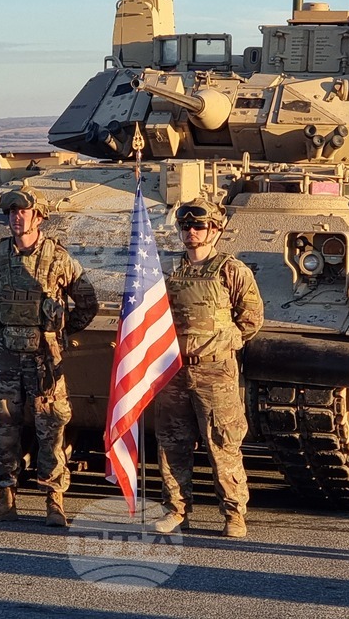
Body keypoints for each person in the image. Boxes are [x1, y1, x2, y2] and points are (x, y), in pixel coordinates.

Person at [0, 185, 98, 527]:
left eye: (23, 211)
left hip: (43, 360)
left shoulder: (57, 258)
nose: (17, 217)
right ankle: (6, 498)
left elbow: (87, 301)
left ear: (39, 217)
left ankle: (54, 501)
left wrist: (60, 332)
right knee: (5, 428)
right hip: (6, 356)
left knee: (50, 429)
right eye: (12, 212)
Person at [154, 197, 264, 538]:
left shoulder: (231, 270)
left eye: (199, 225)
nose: (191, 232)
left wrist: (221, 343)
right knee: (172, 444)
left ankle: (233, 513)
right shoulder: (168, 269)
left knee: (222, 443)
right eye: (185, 226)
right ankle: (176, 510)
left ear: (215, 230)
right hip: (173, 370)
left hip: (215, 371)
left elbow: (251, 319)